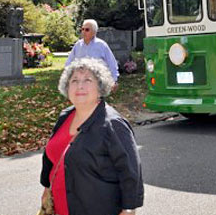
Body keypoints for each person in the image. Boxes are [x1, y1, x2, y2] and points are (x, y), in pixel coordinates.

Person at [40, 58, 143, 215]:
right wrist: (47, 188)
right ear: (67, 87)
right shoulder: (65, 116)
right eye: (74, 80)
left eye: (88, 80)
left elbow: (130, 170)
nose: (80, 86)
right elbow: (52, 157)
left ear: (100, 87)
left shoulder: (113, 124)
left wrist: (129, 209)